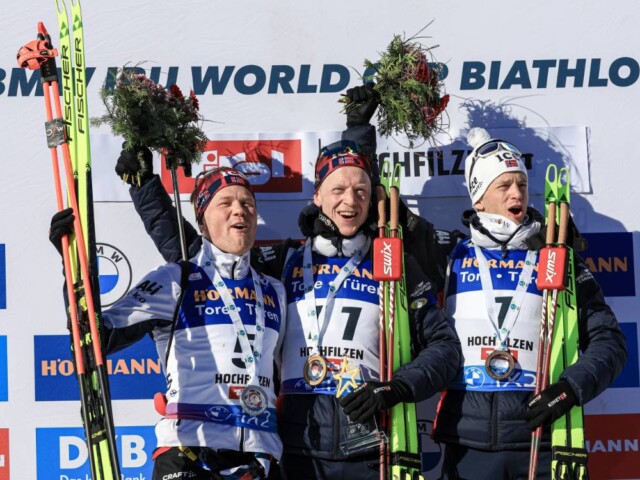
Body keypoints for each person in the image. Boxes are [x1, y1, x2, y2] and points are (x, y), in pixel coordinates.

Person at [114, 86, 462, 479]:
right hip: (298, 450)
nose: (350, 200)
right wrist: (145, 188)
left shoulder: (394, 266)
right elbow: (205, 257)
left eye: (361, 192)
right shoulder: (283, 262)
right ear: (317, 196)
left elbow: (445, 348)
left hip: (372, 447)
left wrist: (395, 388)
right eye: (337, 190)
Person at [409, 127, 626, 479]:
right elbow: (368, 211)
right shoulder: (450, 254)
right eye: (504, 185)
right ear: (479, 198)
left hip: (545, 437)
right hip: (468, 441)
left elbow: (609, 341)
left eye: (522, 184)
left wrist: (568, 389)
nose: (517, 193)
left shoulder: (556, 258)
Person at [50, 168, 286, 479]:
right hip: (188, 451)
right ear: (202, 222)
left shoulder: (274, 290)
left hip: (258, 457)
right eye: (225, 203)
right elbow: (95, 339)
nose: (239, 210)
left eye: (247, 203)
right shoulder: (176, 279)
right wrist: (73, 270)